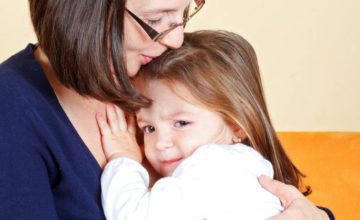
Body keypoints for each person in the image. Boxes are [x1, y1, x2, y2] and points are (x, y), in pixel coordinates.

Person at [0, 0, 332, 219]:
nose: (176, 39)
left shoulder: (157, 73)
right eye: (156, 18)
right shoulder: (13, 109)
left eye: (185, 11)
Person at [97, 30, 333, 220]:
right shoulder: (246, 163)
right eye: (148, 128)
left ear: (236, 125)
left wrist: (122, 160)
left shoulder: (210, 166)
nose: (160, 143)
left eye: (181, 123)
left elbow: (134, 216)